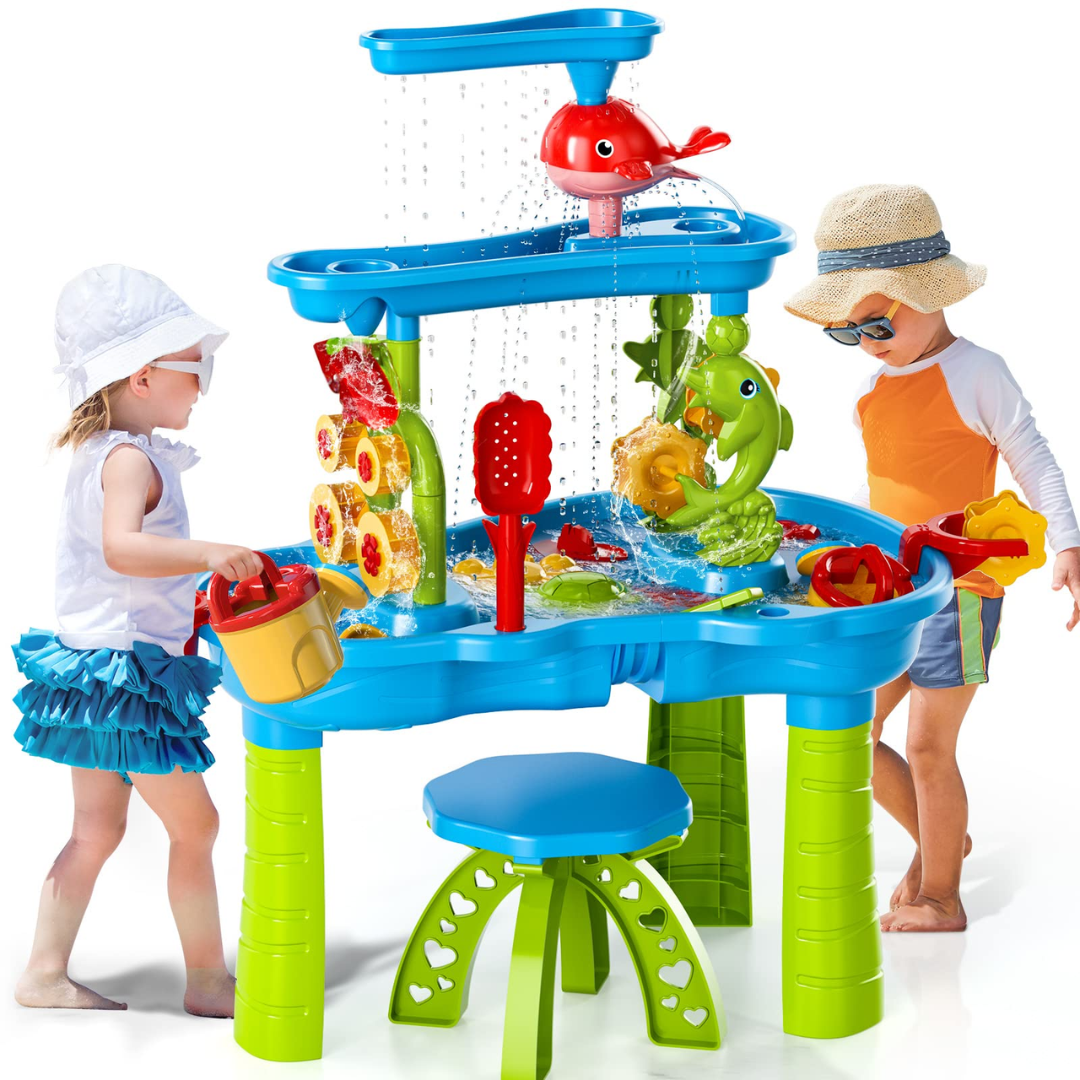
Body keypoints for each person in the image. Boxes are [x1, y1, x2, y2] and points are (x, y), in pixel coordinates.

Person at [785, 185, 1080, 931]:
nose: (868, 343)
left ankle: (943, 897)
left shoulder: (978, 373)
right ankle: (943, 843)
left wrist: (1068, 542)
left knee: (927, 746)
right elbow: (881, 491)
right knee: (852, 731)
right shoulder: (871, 392)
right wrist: (827, 546)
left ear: (930, 294)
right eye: (847, 333)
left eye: (878, 323)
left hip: (964, 591)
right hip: (891, 591)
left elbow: (1034, 459)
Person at [12, 264, 262, 1012]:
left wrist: (192, 601)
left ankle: (43, 973)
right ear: (144, 376)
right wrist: (209, 554)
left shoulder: (103, 452)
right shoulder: (129, 460)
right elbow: (122, 550)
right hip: (126, 678)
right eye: (196, 368)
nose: (203, 387)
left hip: (93, 672)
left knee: (94, 831)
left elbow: (117, 574)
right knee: (198, 825)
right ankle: (208, 981)